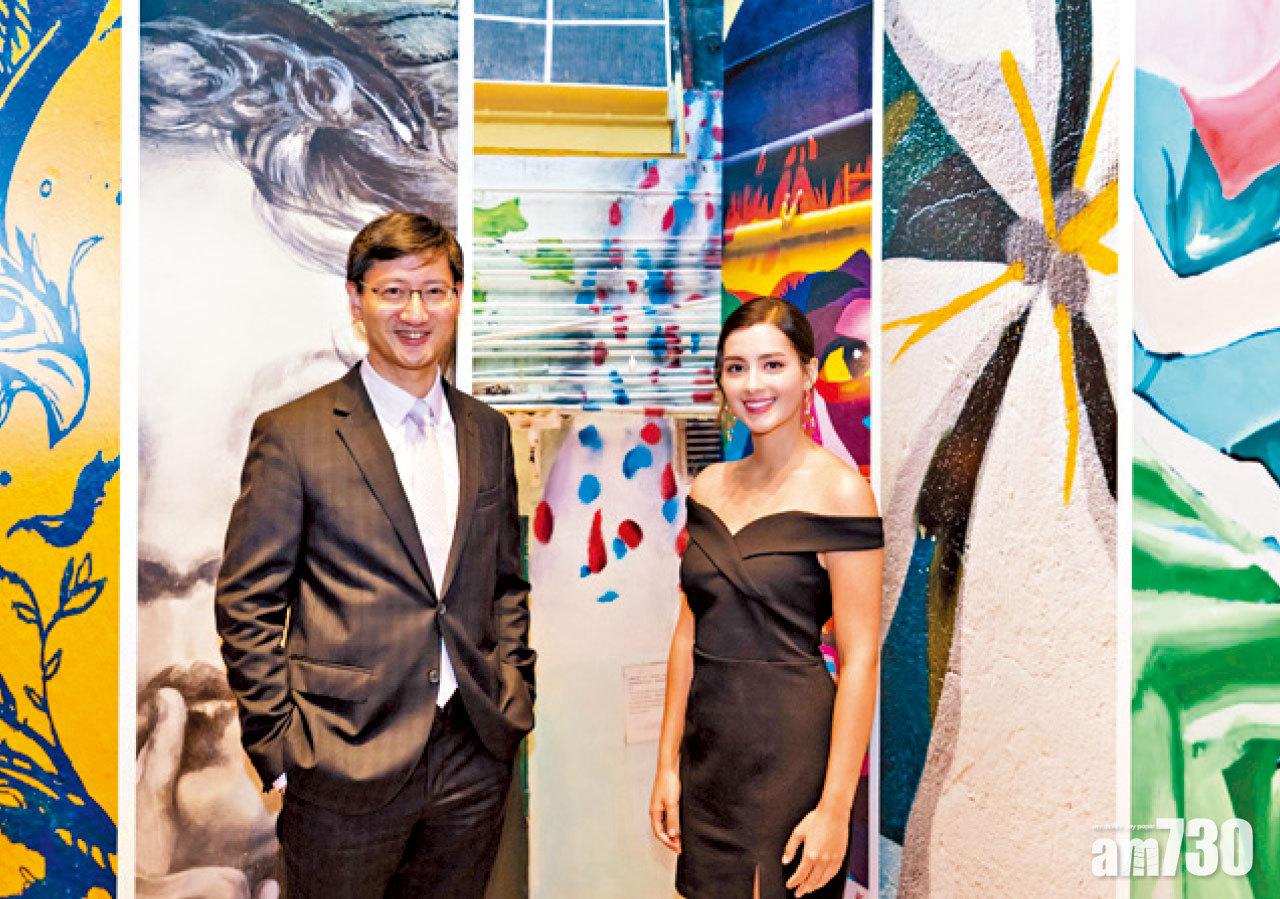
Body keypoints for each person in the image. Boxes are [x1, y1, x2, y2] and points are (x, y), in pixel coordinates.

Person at [214, 212, 534, 899]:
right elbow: (248, 602)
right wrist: (282, 751)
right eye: (393, 291)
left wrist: (512, 695)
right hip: (340, 762)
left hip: (472, 754)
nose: (415, 313)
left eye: (434, 291)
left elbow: (506, 584)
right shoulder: (294, 434)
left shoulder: (488, 431)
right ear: (357, 300)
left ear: (456, 299)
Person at [649, 297, 883, 898]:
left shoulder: (843, 493)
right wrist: (667, 764)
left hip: (791, 756)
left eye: (772, 365)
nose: (753, 384)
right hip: (709, 757)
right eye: (736, 368)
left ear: (808, 373)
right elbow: (687, 633)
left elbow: (861, 659)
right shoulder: (708, 487)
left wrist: (835, 809)